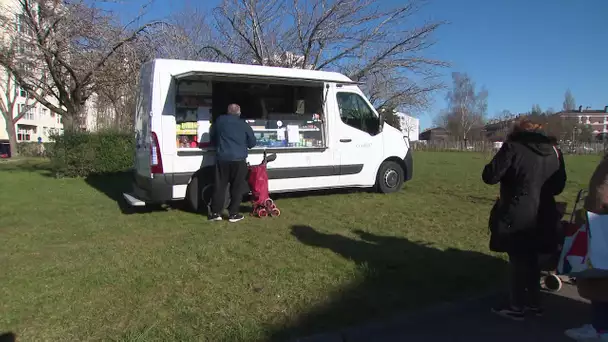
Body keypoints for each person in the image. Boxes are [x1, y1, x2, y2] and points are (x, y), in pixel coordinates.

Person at [482, 120, 566, 320]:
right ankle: (534, 303)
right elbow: (558, 186)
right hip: (544, 211)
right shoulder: (554, 152)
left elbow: (490, 176)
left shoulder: (513, 148)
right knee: (533, 259)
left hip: (518, 210)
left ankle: (517, 305)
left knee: (518, 259)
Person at [564, 155, 608, 341]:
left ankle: (601, 329)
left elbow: (601, 194)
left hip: (603, 225)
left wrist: (589, 216)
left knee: (599, 279)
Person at [208, 104, 257, 222]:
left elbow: (212, 137)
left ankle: (215, 213)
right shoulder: (244, 124)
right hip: (239, 160)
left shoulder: (219, 121)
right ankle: (233, 214)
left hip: (222, 158)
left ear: (227, 112)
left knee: (220, 186)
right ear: (239, 113)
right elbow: (252, 143)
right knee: (237, 187)